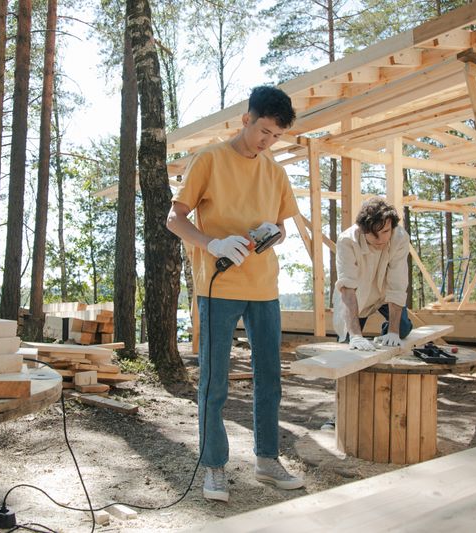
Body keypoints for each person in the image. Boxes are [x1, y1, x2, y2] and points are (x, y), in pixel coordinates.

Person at [166, 86, 304, 503]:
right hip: (219, 286)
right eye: (263, 132)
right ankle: (214, 467)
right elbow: (174, 219)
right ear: (246, 119)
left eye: (276, 137)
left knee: (270, 380)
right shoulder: (209, 159)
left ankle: (267, 459)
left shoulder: (274, 170)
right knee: (214, 382)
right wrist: (213, 244)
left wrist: (273, 234)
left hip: (264, 288)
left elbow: (283, 227)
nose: (268, 142)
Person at [333, 197, 413, 351]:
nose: (381, 239)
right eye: (374, 234)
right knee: (348, 345)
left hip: (385, 295)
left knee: (401, 329)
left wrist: (393, 332)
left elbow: (397, 284)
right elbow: (348, 289)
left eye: (385, 231)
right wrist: (356, 335)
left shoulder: (400, 238)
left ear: (392, 226)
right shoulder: (347, 241)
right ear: (363, 230)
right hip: (357, 298)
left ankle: (385, 336)